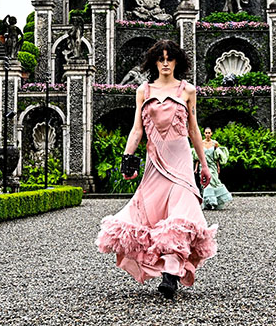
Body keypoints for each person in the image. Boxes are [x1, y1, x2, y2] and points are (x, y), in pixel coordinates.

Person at [95, 40, 217, 300]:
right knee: (150, 212)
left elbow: (194, 130)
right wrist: (127, 157)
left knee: (180, 212)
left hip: (181, 159)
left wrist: (204, 165)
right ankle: (161, 266)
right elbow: (137, 128)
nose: (164, 62)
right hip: (155, 159)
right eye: (160, 58)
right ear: (154, 62)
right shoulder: (144, 90)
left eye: (169, 58)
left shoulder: (188, 90)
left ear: (176, 62)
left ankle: (171, 273)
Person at [192, 127, 232, 210]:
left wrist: (218, 166)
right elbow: (198, 157)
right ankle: (208, 202)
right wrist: (196, 168)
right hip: (203, 166)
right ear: (204, 134)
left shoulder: (215, 144)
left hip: (212, 166)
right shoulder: (201, 143)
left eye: (209, 133)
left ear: (211, 133)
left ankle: (217, 201)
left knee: (215, 182)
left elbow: (216, 156)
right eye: (206, 133)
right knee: (206, 183)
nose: (207, 134)